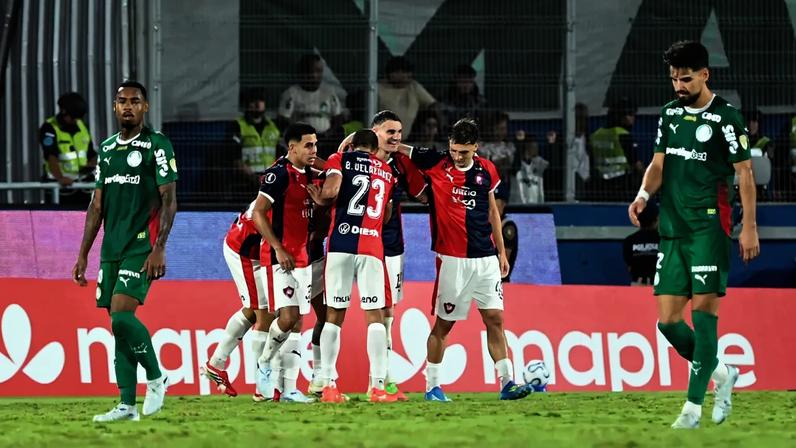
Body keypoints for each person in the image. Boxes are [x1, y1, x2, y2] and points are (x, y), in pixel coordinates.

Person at [628, 40, 760, 429]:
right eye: (674, 79)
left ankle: (692, 410)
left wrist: (749, 227)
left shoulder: (726, 118)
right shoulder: (669, 114)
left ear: (705, 75)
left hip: (708, 228)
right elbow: (658, 164)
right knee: (668, 323)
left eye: (686, 79)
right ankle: (723, 373)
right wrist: (642, 194)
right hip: (672, 229)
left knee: (703, 318)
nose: (679, 86)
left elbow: (745, 174)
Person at [398, 118, 531, 401]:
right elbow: (398, 146)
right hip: (453, 260)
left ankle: (507, 383)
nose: (458, 157)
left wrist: (501, 251)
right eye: (455, 150)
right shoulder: (436, 161)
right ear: (449, 145)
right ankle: (432, 386)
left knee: (495, 319)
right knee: (444, 326)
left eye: (464, 152)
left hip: (486, 259)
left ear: (476, 147)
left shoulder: (487, 170)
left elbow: (493, 212)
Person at [72, 81, 177, 422]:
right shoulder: (106, 149)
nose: (128, 106)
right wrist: (83, 253)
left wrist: (159, 247)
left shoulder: (156, 144)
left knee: (120, 316)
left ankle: (157, 377)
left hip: (141, 245)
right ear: (115, 107)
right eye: (122, 101)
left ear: (145, 106)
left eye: (135, 101)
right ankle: (127, 405)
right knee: (118, 328)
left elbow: (169, 199)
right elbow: (96, 205)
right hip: (111, 248)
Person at [306, 129, 397, 403]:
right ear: (375, 149)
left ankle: (329, 385)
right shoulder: (387, 171)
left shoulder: (340, 159)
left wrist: (321, 199)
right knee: (375, 317)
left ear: (352, 146)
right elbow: (387, 215)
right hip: (371, 247)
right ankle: (378, 387)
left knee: (334, 315)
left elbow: (331, 190)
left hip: (341, 244)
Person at [248, 123, 319, 404]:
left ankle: (288, 389)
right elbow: (258, 213)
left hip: (303, 258)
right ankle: (265, 362)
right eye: (308, 145)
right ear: (292, 147)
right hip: (280, 258)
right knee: (287, 317)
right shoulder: (278, 175)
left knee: (298, 323)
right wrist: (278, 248)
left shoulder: (310, 174)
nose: (313, 150)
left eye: (315, 144)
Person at [278, 54, 344, 158]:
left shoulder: (329, 92)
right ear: (303, 72)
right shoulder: (291, 94)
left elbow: (338, 117)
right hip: (301, 143)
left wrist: (328, 134)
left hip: (325, 141)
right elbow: (283, 120)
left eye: (318, 71)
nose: (314, 75)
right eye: (311, 71)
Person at [39, 92, 98, 206]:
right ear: (63, 112)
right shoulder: (49, 128)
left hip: (82, 187)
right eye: (73, 117)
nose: (76, 121)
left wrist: (93, 162)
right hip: (60, 189)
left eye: (79, 117)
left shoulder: (82, 126)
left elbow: (90, 152)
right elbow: (51, 156)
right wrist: (60, 178)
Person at [590, 97, 639, 201]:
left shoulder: (596, 135)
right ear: (621, 116)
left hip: (600, 184)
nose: (633, 118)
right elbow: (636, 163)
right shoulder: (622, 134)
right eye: (630, 114)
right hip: (622, 184)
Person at [378, 56, 437, 140]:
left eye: (406, 72)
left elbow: (433, 104)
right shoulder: (378, 88)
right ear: (389, 74)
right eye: (398, 72)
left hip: (409, 138)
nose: (403, 76)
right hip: (382, 138)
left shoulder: (414, 86)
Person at [233, 89, 281, 177]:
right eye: (253, 101)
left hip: (271, 177)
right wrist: (253, 178)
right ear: (247, 104)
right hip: (247, 178)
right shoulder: (238, 125)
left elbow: (281, 154)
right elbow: (235, 157)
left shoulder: (272, 127)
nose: (258, 104)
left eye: (261, 100)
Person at [622, 201, 659, 285]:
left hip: (637, 285)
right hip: (660, 286)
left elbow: (629, 267)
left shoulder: (629, 241)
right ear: (656, 219)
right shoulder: (663, 240)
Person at [441, 64, 487, 129]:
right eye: (463, 82)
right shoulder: (446, 100)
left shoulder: (479, 101)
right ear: (456, 81)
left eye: (469, 82)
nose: (466, 85)